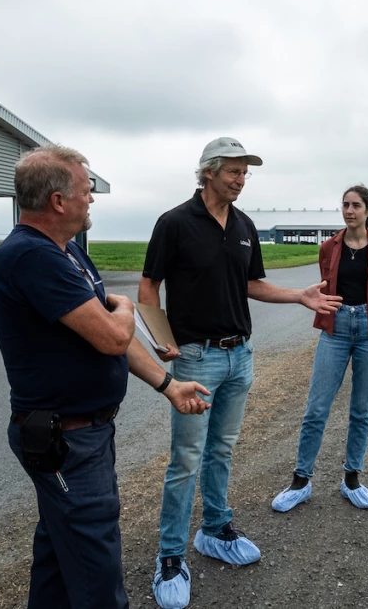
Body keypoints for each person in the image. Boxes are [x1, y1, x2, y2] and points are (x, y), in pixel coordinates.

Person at [0, 144, 210, 609]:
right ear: (58, 201)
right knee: (96, 572)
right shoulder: (31, 256)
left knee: (58, 554)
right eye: (86, 191)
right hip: (66, 441)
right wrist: (125, 306)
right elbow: (112, 335)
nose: (92, 199)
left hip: (84, 433)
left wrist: (169, 386)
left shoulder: (66, 253)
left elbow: (111, 339)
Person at [139, 137, 342, 609]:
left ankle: (214, 530)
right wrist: (160, 339)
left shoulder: (244, 225)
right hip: (196, 357)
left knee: (222, 449)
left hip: (240, 355)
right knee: (186, 458)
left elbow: (252, 284)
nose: (241, 179)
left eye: (245, 172)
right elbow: (149, 284)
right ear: (208, 171)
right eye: (234, 171)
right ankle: (170, 556)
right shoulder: (174, 223)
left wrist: (299, 296)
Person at [271, 184, 368, 513]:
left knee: (362, 410)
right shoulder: (329, 247)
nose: (349, 211)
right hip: (335, 329)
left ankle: (351, 479)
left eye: (356, 205)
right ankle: (300, 482)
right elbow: (325, 287)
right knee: (316, 408)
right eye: (345, 205)